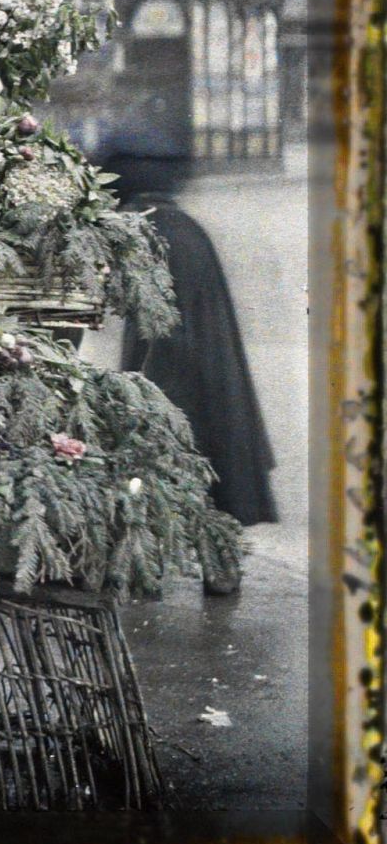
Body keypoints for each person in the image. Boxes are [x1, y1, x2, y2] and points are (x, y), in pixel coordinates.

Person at [107, 154, 278, 593]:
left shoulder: (145, 227)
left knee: (160, 457)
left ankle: (147, 564)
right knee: (216, 458)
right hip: (210, 367)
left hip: (168, 368)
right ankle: (220, 560)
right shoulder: (185, 227)